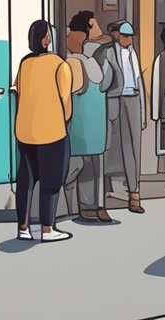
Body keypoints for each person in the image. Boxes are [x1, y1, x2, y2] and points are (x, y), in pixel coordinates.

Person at [15, 20, 74, 242]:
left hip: (24, 131)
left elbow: (20, 92)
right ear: (46, 39)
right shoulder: (60, 65)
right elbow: (66, 102)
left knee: (26, 181)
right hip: (51, 132)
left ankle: (23, 228)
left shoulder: (24, 63)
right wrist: (63, 121)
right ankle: (47, 229)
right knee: (51, 182)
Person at [63, 11, 112, 223]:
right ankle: (84, 206)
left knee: (91, 165)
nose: (98, 29)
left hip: (92, 122)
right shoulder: (75, 61)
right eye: (93, 25)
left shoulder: (92, 58)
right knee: (79, 165)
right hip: (82, 122)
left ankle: (93, 205)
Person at [99, 20, 146, 214]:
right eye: (125, 35)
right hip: (114, 100)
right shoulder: (107, 52)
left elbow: (139, 81)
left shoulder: (133, 53)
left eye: (130, 36)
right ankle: (102, 194)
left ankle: (134, 195)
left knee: (134, 148)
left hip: (133, 99)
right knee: (109, 147)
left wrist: (143, 111)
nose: (128, 39)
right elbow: (103, 82)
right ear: (116, 34)